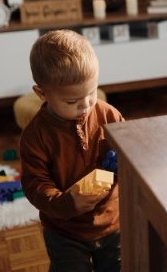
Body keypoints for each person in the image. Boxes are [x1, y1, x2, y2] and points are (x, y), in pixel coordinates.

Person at [20, 29, 124, 272]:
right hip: (64, 231)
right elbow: (35, 185)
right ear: (42, 94)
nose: (86, 105)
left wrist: (126, 163)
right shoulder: (35, 136)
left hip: (112, 223)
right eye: (71, 101)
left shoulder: (108, 114)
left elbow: (130, 149)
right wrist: (67, 203)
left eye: (92, 92)